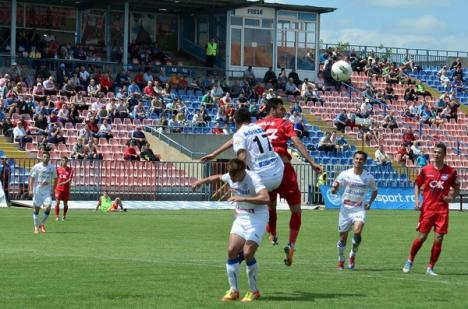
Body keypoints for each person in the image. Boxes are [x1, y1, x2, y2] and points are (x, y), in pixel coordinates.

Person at [192, 159, 269, 302]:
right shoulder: (231, 175)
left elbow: (265, 198)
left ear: (243, 171)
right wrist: (200, 182)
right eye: (231, 175)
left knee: (247, 253)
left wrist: (242, 197)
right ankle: (233, 291)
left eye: (235, 176)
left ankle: (253, 291)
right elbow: (216, 177)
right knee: (232, 250)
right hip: (241, 216)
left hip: (257, 217)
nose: (232, 178)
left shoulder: (253, 178)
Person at [402, 143, 460, 276]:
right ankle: (410, 260)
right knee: (422, 237)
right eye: (434, 152)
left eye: (439, 152)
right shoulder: (426, 170)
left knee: (439, 238)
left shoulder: (451, 171)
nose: (436, 154)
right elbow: (417, 184)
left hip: (442, 210)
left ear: (444, 155)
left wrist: (451, 197)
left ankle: (430, 268)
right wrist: (417, 200)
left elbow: (456, 188)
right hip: (427, 209)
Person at [331, 151, 378, 270]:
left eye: (361, 159)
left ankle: (353, 254)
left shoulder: (368, 177)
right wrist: (335, 188)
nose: (358, 161)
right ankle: (341, 258)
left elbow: (375, 190)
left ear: (365, 161)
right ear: (353, 160)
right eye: (356, 159)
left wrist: (369, 203)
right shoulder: (345, 174)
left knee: (357, 231)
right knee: (342, 239)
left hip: (359, 209)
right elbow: (334, 189)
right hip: (345, 209)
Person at [29, 152, 57, 234]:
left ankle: (42, 224)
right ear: (42, 157)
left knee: (48, 208)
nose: (46, 158)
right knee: (36, 209)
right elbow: (32, 178)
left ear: (49, 158)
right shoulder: (37, 166)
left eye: (47, 157)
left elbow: (55, 178)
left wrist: (54, 189)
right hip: (37, 191)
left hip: (47, 192)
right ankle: (35, 227)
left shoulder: (52, 167)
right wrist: (30, 190)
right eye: (44, 157)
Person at [54, 156, 74, 221]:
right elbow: (55, 179)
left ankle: (64, 216)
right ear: (61, 161)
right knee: (57, 202)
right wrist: (54, 187)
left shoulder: (70, 170)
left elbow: (70, 179)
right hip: (58, 188)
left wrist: (63, 183)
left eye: (65, 160)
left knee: (65, 204)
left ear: (67, 161)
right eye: (62, 160)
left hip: (66, 189)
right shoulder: (58, 170)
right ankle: (57, 216)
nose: (64, 161)